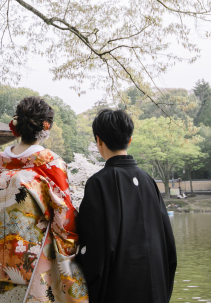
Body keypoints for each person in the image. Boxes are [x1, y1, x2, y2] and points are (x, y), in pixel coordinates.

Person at [0, 96, 87, 303]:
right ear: (45, 127)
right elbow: (64, 221)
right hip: (36, 265)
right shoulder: (50, 165)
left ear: (17, 125)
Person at [76, 109, 177, 303]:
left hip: (119, 290)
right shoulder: (149, 181)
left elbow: (93, 246)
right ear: (130, 140)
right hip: (156, 289)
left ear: (98, 141)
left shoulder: (98, 183)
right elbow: (168, 242)